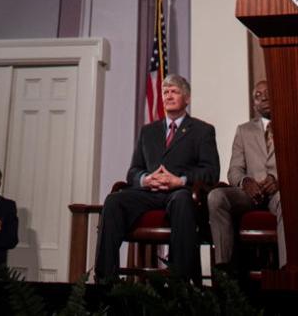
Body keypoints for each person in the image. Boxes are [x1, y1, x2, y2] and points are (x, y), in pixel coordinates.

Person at [94, 73, 219, 284]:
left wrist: (180, 180)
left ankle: (180, 282)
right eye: (165, 92)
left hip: (180, 193)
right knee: (114, 201)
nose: (168, 96)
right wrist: (145, 179)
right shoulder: (148, 131)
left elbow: (211, 172)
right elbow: (133, 171)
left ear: (187, 98)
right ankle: (105, 282)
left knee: (181, 200)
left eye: (175, 92)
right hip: (149, 193)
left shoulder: (202, 130)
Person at [207, 76, 285, 272]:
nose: (264, 98)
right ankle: (225, 271)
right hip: (250, 194)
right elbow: (234, 170)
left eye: (267, 93)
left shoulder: (290, 126)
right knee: (216, 197)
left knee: (286, 201)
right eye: (258, 96)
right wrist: (245, 181)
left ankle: (286, 271)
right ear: (254, 103)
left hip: (279, 193)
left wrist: (278, 180)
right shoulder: (243, 131)